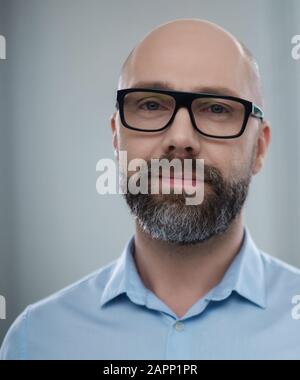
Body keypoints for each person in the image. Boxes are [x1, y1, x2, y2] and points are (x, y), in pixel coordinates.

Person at [1, 18, 300, 360]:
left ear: (259, 148)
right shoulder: (36, 339)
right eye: (152, 105)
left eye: (217, 108)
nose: (181, 139)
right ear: (116, 136)